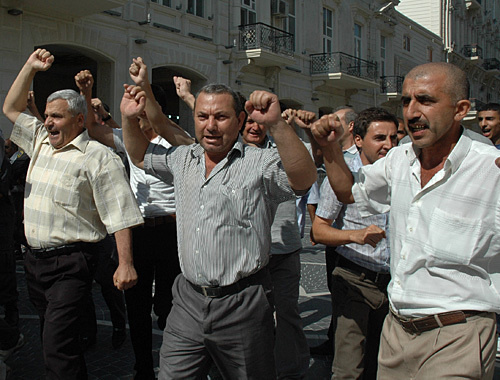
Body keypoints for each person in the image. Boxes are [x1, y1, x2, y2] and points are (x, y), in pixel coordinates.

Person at [311, 62, 500, 379]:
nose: (411, 112)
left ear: (460, 109)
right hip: (397, 333)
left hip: (458, 333)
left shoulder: (491, 168)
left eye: (425, 100)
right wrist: (330, 147)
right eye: (406, 101)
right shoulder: (399, 159)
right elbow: (347, 192)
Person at [121, 80, 317, 379]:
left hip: (242, 304)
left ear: (239, 120)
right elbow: (139, 155)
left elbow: (303, 180)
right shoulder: (183, 159)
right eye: (203, 117)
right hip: (187, 301)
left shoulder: (260, 162)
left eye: (220, 117)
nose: (210, 126)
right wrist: (128, 117)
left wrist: (276, 123)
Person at [2, 48, 144, 379]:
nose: (48, 121)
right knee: (59, 343)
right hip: (35, 263)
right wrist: (29, 67)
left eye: (57, 116)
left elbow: (119, 212)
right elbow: (10, 107)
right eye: (47, 115)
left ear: (80, 121)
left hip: (72, 264)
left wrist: (125, 264)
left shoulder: (99, 157)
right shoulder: (38, 140)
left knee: (56, 344)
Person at [312, 107, 397, 379]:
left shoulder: (404, 174)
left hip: (394, 284)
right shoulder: (343, 175)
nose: (389, 145)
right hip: (354, 278)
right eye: (380, 138)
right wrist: (354, 235)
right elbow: (318, 231)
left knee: (382, 364)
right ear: (358, 140)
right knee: (349, 367)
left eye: (394, 138)